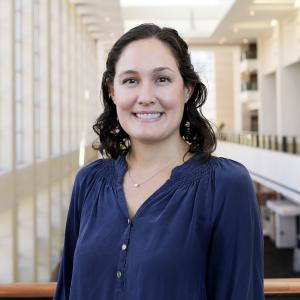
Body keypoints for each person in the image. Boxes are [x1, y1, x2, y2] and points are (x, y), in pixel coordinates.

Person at [54, 23, 264, 300]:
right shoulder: (89, 181)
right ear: (112, 90)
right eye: (131, 80)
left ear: (187, 89)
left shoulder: (225, 185)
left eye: (162, 79)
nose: (146, 97)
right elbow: (67, 289)